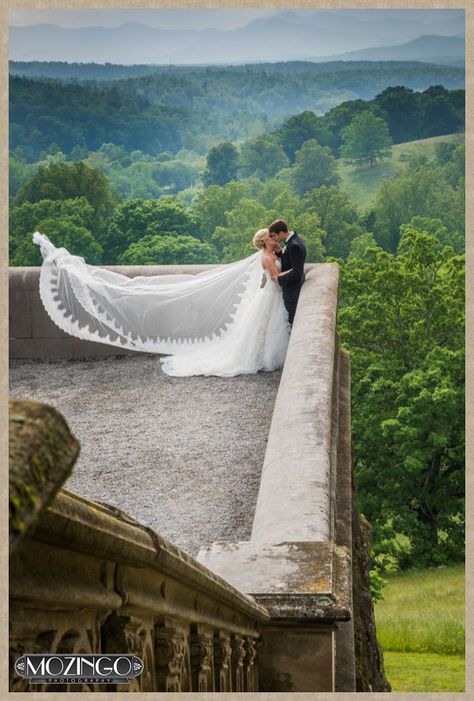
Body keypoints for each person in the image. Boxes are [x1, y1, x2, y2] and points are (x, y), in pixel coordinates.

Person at [31, 226, 301, 378]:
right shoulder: (266, 257)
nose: (275, 242)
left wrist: (284, 260)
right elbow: (275, 278)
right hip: (271, 295)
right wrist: (295, 273)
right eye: (272, 239)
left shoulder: (272, 252)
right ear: (266, 241)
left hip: (270, 298)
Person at [268, 219, 307, 326]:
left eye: (274, 236)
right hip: (292, 290)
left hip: (293, 292)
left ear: (281, 233)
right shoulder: (294, 241)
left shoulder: (294, 245)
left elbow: (297, 272)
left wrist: (279, 279)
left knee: (292, 323)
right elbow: (290, 261)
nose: (273, 239)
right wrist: (280, 253)